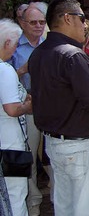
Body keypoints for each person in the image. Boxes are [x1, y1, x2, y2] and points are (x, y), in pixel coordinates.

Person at [29, 0, 89, 215]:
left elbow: (64, 93)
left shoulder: (39, 54)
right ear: (67, 18)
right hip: (80, 146)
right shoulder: (72, 55)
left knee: (66, 207)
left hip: (55, 144)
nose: (86, 25)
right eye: (82, 19)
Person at [9, 5, 46, 216]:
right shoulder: (13, 47)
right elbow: (5, 78)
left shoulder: (48, 44)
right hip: (26, 108)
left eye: (42, 22)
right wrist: (22, 70)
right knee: (29, 158)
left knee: (52, 157)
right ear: (22, 23)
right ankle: (33, 203)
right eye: (33, 22)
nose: (39, 26)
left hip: (50, 106)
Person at [0, 18, 32, 216]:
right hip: (11, 145)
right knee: (16, 196)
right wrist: (28, 106)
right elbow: (11, 109)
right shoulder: (5, 70)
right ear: (7, 43)